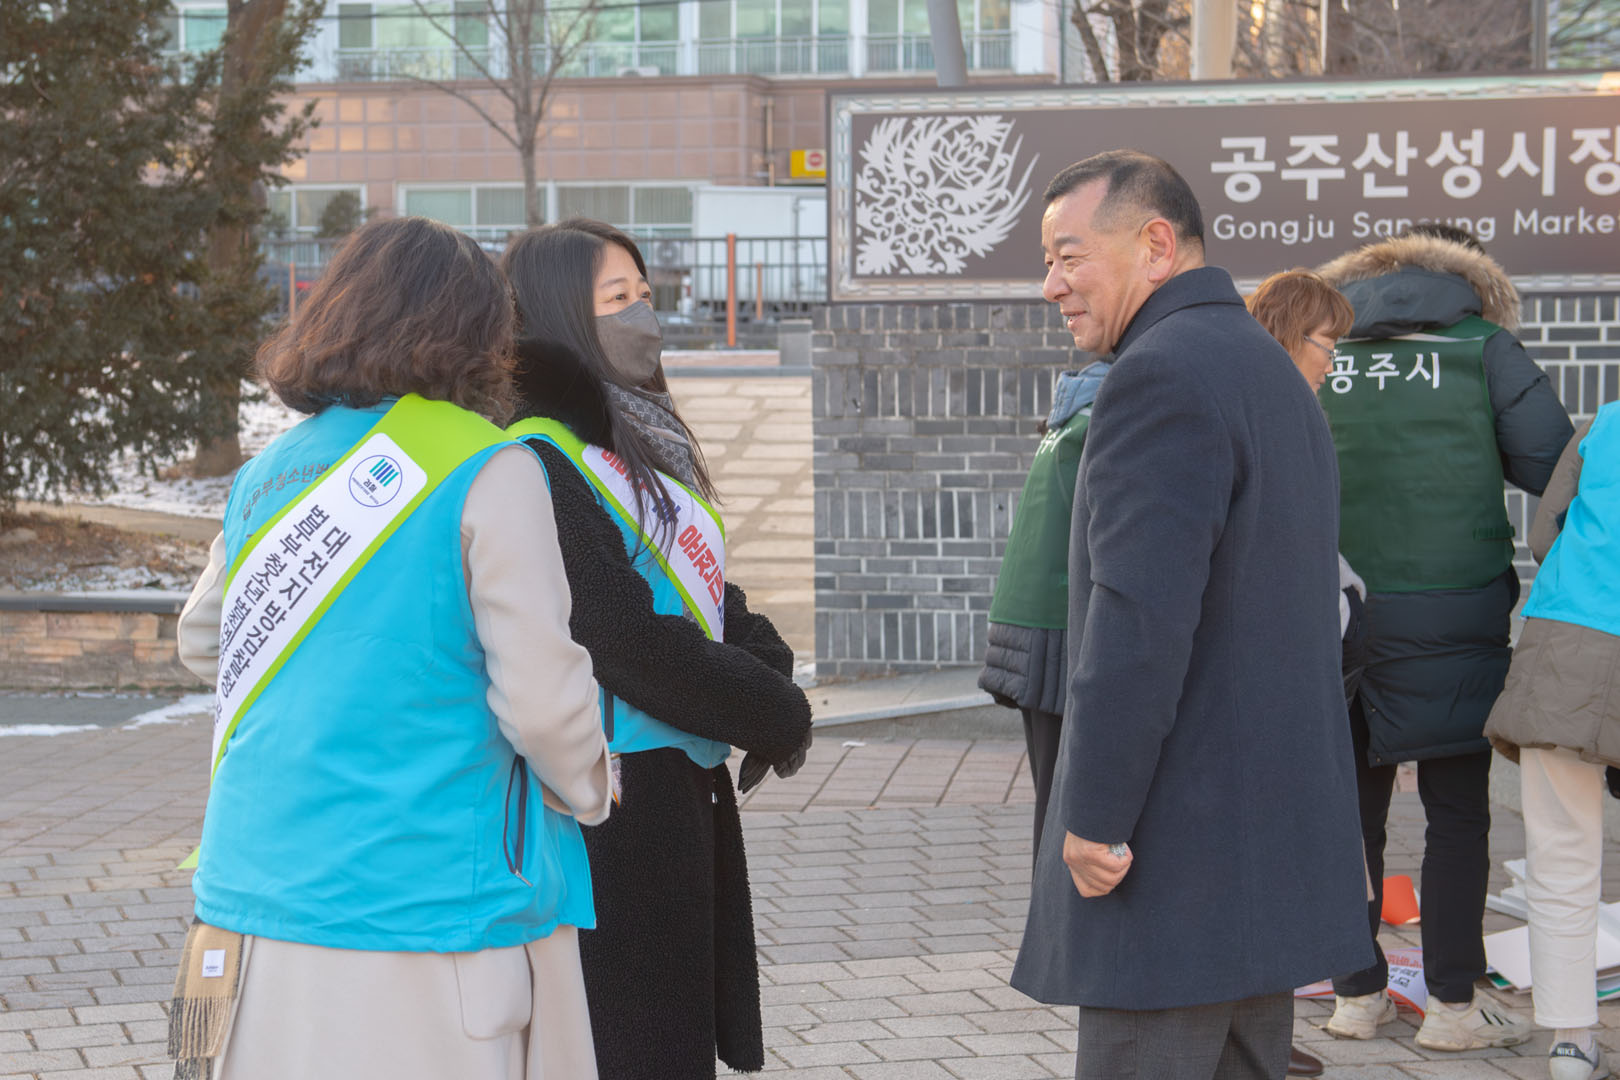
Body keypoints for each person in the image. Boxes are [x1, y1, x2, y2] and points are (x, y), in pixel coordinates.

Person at [167, 217, 614, 1080]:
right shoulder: (489, 466)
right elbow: (543, 703)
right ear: (477, 335)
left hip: (252, 894)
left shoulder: (270, 471)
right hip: (427, 903)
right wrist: (595, 786)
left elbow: (204, 641)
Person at [1008, 150, 1370, 1080]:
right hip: (1260, 853)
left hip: (1172, 860)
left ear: (1156, 245)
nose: (1051, 285)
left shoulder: (1158, 376)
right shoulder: (1267, 369)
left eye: (1069, 257)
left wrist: (1095, 815)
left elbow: (1138, 623)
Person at [499, 219, 814, 1080]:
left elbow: (707, 597)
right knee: (635, 1046)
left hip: (676, 792)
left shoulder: (631, 442)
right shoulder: (539, 457)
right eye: (617, 299)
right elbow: (622, 634)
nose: (644, 315)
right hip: (612, 808)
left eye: (645, 293)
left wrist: (767, 668)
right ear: (560, 315)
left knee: (671, 1039)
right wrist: (771, 710)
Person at [1315, 223, 1573, 1049]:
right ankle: (1455, 1007)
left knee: (1349, 813)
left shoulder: (1321, 349)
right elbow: (1556, 472)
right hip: (1456, 612)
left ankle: (1356, 996)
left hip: (1335, 609)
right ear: (1469, 284)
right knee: (1458, 813)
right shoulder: (1483, 349)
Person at [1247, 268, 1370, 1080]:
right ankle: (1255, 1033)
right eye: (1329, 344)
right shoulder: (1275, 410)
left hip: (1287, 669)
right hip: (1274, 677)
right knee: (1273, 859)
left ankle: (1261, 1029)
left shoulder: (1282, 405)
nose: (1334, 361)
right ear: (1294, 335)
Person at [1484, 409, 1617, 1080]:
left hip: (1570, 635)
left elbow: (1544, 534)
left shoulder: (1609, 423)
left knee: (1561, 845)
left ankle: (1571, 1041)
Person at [978, 356, 1110, 861]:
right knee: (1067, 804)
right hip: (1059, 622)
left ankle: (1049, 903)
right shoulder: (1109, 411)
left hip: (1029, 618)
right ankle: (1052, 908)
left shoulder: (1079, 404)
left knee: (1054, 795)